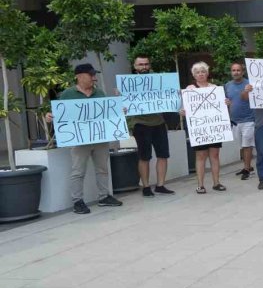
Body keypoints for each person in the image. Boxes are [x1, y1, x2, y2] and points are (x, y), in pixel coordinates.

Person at [47, 64, 123, 214]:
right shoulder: (68, 94)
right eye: (91, 75)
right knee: (78, 171)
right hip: (80, 140)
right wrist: (49, 116)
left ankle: (104, 196)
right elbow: (58, 113)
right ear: (79, 76)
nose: (94, 78)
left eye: (94, 75)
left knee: (102, 168)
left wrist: (118, 110)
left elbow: (106, 113)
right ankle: (77, 201)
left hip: (100, 139)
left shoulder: (99, 93)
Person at [128, 54, 174, 197]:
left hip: (159, 122)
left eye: (146, 64)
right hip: (140, 124)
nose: (144, 67)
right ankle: (146, 186)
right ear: (135, 67)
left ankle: (160, 185)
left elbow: (169, 96)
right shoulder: (128, 83)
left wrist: (174, 93)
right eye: (141, 65)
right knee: (144, 156)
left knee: (163, 155)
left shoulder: (158, 80)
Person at [184, 62, 226, 194]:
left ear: (207, 73)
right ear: (194, 75)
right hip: (199, 128)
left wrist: (226, 103)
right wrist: (183, 111)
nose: (201, 74)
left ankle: (216, 182)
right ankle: (200, 185)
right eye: (197, 72)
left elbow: (221, 106)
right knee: (200, 155)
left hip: (213, 127)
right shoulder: (190, 89)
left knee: (215, 154)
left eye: (203, 71)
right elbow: (186, 107)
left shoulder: (215, 88)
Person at [224, 62, 255, 180]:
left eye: (238, 70)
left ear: (243, 72)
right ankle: (247, 166)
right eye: (233, 70)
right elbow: (227, 101)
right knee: (242, 146)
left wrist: (247, 91)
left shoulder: (249, 84)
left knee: (247, 145)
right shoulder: (227, 85)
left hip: (249, 119)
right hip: (235, 121)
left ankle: (247, 170)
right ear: (231, 72)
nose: (236, 72)